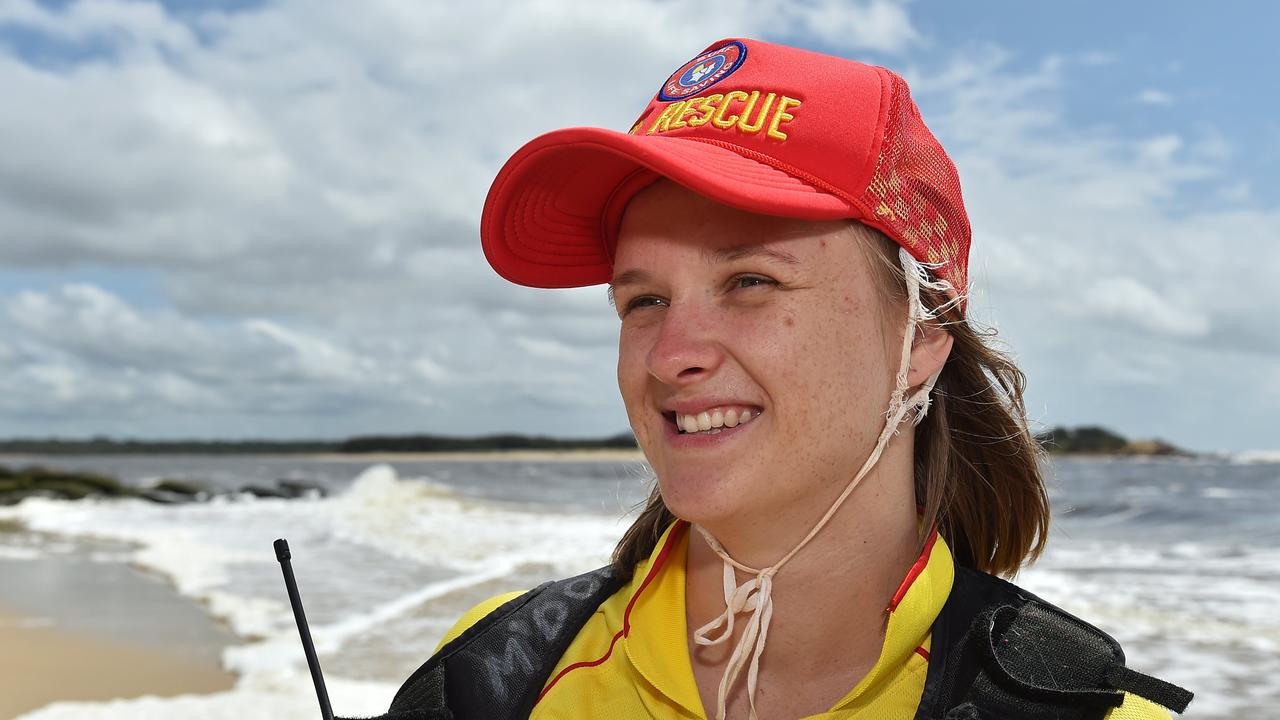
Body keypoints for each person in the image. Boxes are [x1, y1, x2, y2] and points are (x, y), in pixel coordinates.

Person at [363, 38, 1193, 720]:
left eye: (750, 281)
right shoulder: (487, 680)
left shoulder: (1088, 712)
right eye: (643, 299)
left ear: (918, 341)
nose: (669, 354)